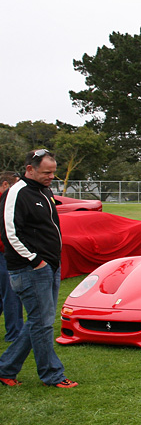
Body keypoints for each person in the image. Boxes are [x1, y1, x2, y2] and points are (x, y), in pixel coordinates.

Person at [0, 149, 76, 388]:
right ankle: (52, 375)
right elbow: (10, 233)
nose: (51, 177)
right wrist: (35, 260)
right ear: (29, 169)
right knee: (42, 324)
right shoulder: (16, 193)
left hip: (49, 266)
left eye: (53, 172)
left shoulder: (43, 191)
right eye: (46, 172)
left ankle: (6, 368)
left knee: (38, 322)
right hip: (30, 269)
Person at [0, 170, 23, 342]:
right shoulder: (5, 201)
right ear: (6, 185)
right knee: (12, 292)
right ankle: (15, 333)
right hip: (4, 253)